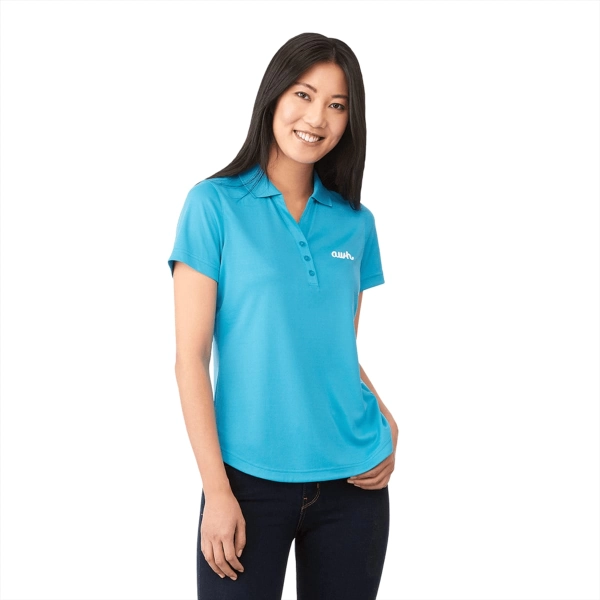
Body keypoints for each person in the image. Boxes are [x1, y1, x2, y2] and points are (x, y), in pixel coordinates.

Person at [167, 32, 399, 600]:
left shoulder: (356, 223)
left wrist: (387, 420)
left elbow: (335, 349)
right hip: (247, 482)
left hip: (353, 481)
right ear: (273, 95)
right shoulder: (212, 205)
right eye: (304, 94)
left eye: (337, 104)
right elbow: (190, 359)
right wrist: (217, 492)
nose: (317, 117)